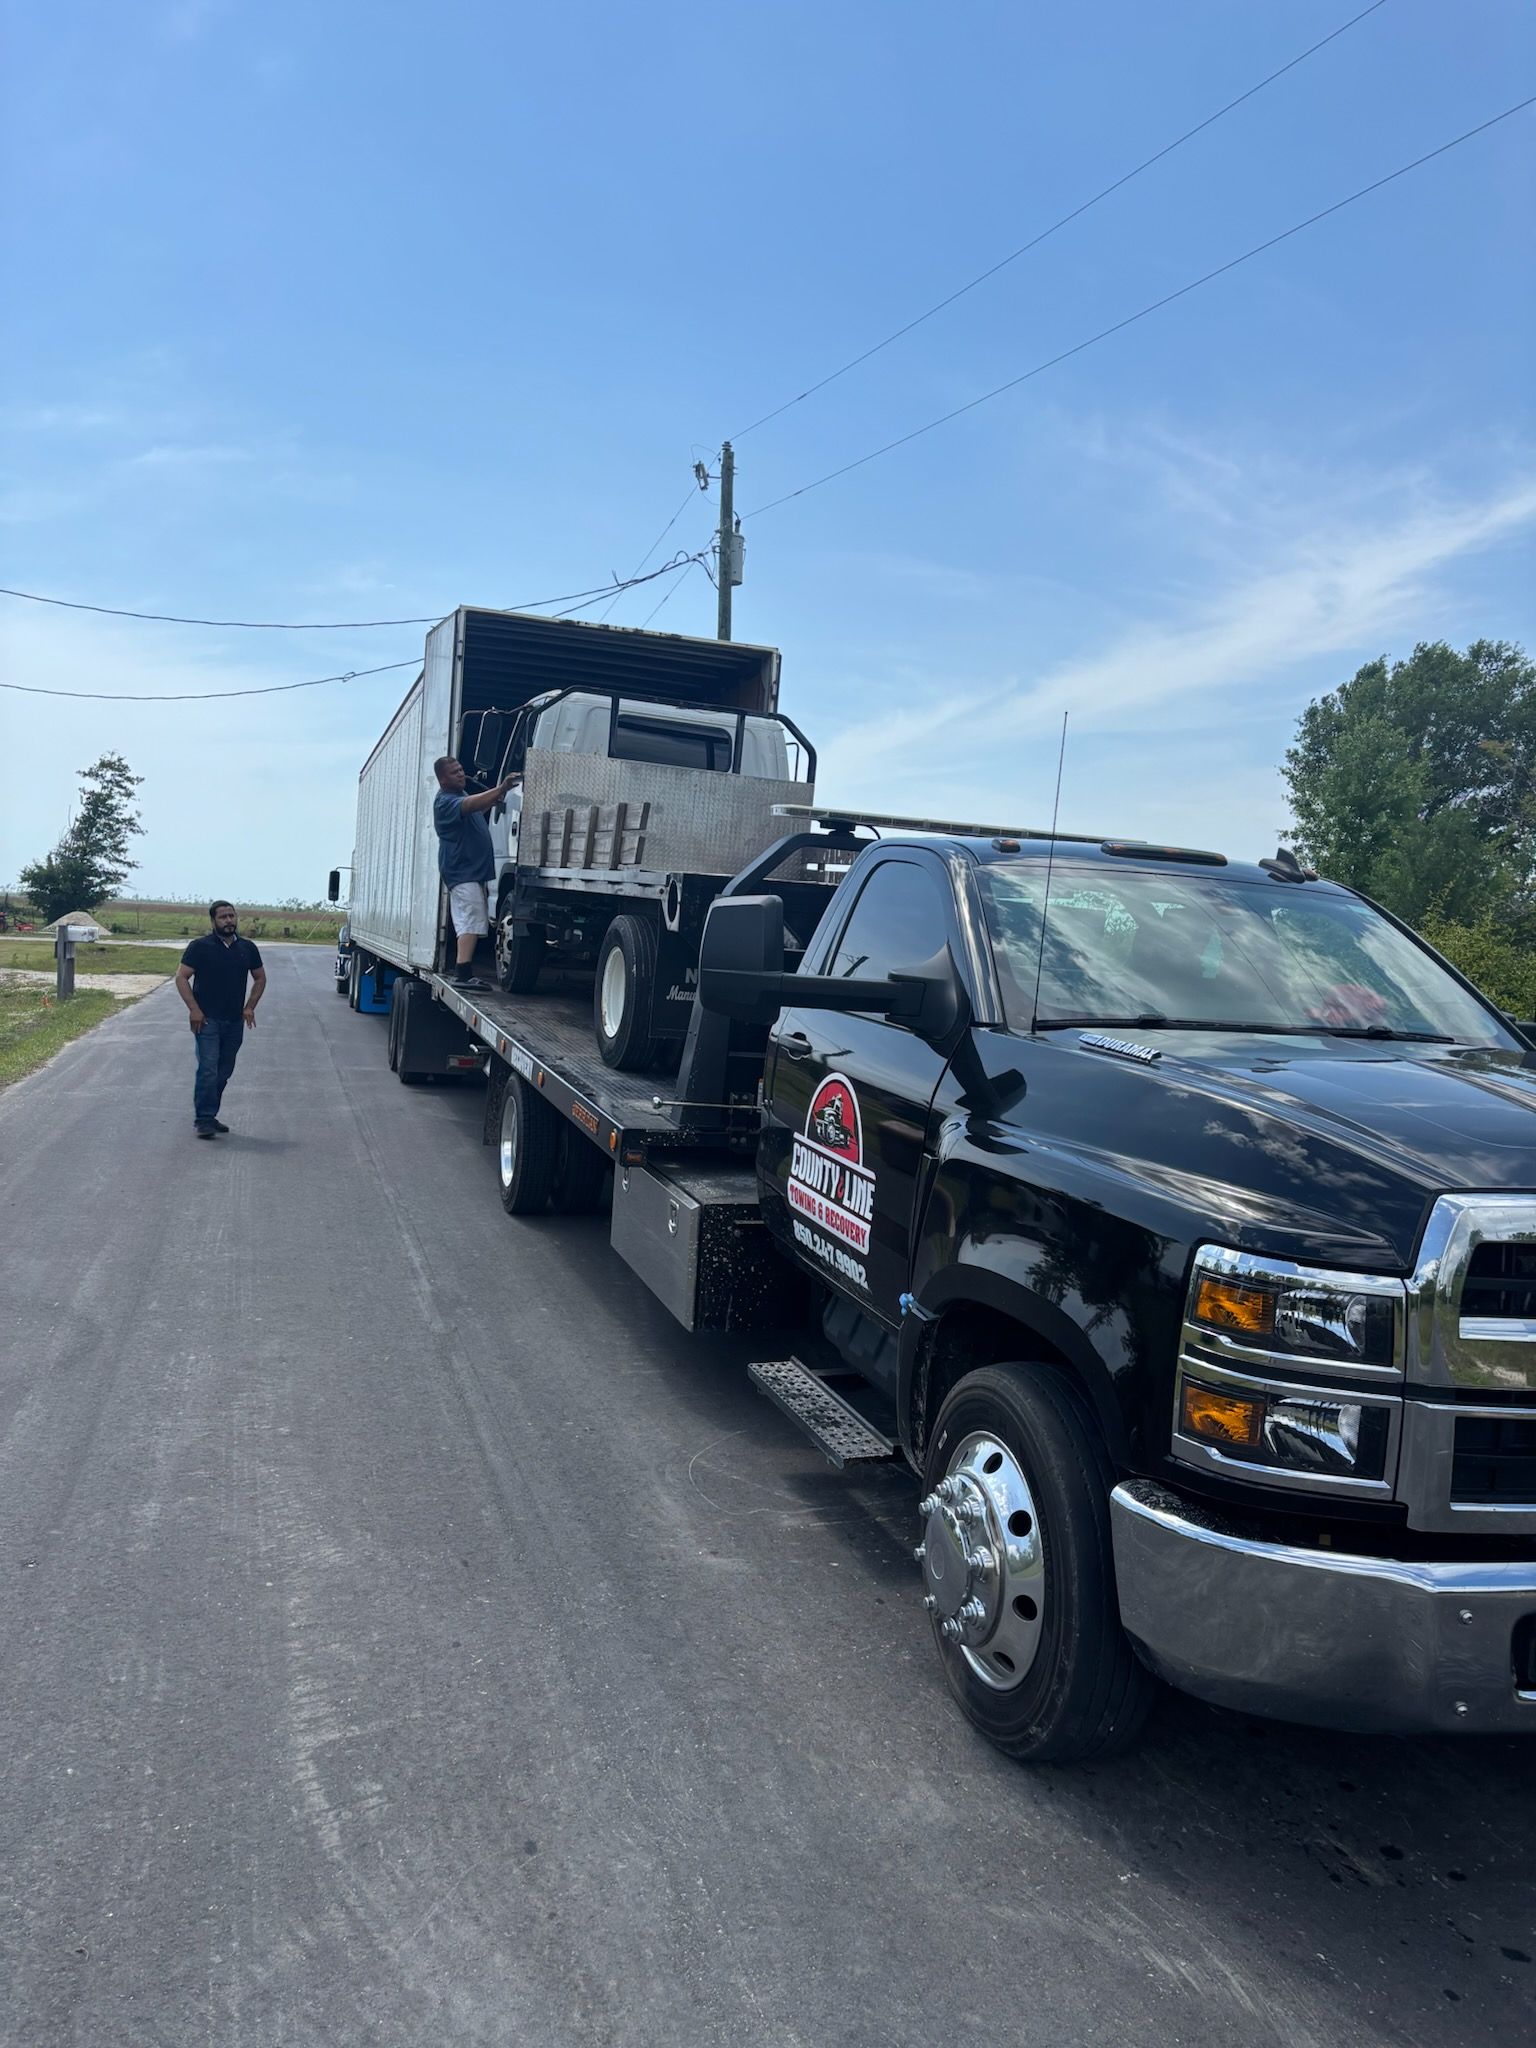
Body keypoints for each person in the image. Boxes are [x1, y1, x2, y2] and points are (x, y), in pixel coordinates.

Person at [175, 900, 266, 1139]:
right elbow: (182, 978)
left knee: (224, 1071)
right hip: (206, 1021)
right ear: (213, 921)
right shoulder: (200, 947)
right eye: (223, 917)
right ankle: (203, 1119)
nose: (229, 921)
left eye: (232, 916)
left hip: (234, 1022)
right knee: (208, 1069)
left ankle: (210, 1114)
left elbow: (260, 978)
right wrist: (194, 1010)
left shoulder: (247, 948)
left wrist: (250, 1007)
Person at [432, 756, 519, 990]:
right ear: (442, 780)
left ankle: (464, 972)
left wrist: (494, 798)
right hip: (462, 871)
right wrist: (500, 789)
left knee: (468, 920)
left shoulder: (458, 796)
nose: (460, 774)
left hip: (469, 872)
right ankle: (463, 974)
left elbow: (476, 806)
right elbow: (471, 805)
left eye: (461, 769)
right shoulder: (445, 802)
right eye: (453, 772)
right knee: (471, 920)